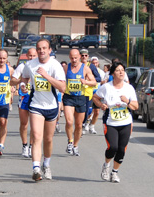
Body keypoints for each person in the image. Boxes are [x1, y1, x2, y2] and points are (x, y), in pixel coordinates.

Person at [21, 39, 66, 181]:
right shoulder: (30, 65)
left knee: (48, 139)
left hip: (52, 106)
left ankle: (46, 164)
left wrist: (46, 76)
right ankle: (36, 168)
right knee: (36, 136)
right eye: (39, 48)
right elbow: (24, 78)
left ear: (49, 50)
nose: (41, 51)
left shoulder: (55, 65)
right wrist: (23, 85)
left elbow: (62, 87)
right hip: (36, 105)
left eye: (44, 48)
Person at [92, 61, 138, 183]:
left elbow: (135, 106)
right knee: (113, 147)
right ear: (113, 73)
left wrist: (127, 102)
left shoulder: (129, 88)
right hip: (110, 122)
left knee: (122, 149)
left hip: (126, 122)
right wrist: (101, 105)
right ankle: (106, 165)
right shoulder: (106, 87)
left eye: (122, 70)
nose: (121, 72)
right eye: (118, 70)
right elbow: (95, 97)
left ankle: (115, 172)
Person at [63, 49, 97, 156]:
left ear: (79, 57)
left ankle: (75, 145)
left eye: (76, 58)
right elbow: (59, 80)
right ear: (69, 57)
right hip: (69, 97)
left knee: (78, 125)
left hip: (81, 98)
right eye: (72, 58)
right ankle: (70, 141)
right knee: (69, 122)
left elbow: (94, 82)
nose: (74, 60)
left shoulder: (85, 68)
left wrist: (86, 81)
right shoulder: (65, 68)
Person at [12, 48, 38, 158]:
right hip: (24, 98)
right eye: (30, 56)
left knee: (34, 125)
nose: (32, 58)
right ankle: (24, 145)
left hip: (36, 98)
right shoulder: (22, 67)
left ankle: (32, 146)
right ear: (27, 56)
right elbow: (12, 80)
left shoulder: (40, 68)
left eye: (34, 56)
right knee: (24, 124)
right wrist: (22, 81)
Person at [78, 48, 101, 133]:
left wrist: (89, 80)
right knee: (79, 111)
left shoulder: (91, 66)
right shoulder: (77, 65)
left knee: (87, 110)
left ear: (88, 57)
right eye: (82, 55)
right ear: (80, 56)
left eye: (85, 55)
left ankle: (83, 124)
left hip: (88, 92)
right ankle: (80, 126)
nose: (84, 57)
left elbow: (99, 78)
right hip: (78, 92)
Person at [87, 56, 106, 134]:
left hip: (97, 94)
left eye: (96, 63)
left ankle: (92, 126)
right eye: (93, 63)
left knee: (97, 112)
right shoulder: (88, 70)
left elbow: (103, 81)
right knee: (90, 111)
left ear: (98, 63)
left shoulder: (101, 72)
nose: (95, 64)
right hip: (90, 92)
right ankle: (86, 124)